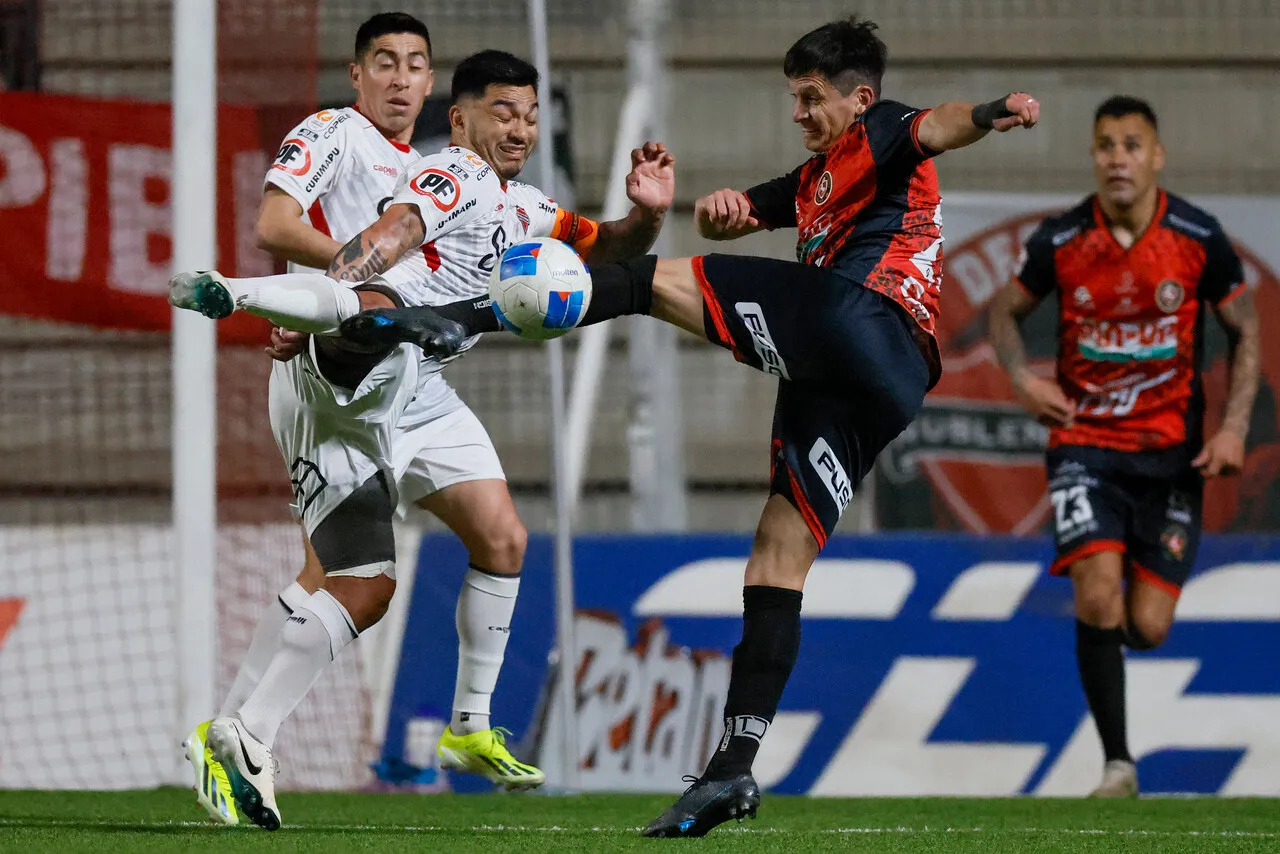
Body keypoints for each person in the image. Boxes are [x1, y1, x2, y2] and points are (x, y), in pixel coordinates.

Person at [341, 16, 1039, 837]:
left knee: (643, 283)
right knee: (777, 556)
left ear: (859, 98)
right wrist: (726, 211)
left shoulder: (882, 130)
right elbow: (735, 220)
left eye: (812, 98)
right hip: (871, 385)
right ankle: (732, 770)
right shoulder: (815, 179)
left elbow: (939, 125)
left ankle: (453, 320)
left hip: (861, 322)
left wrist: (993, 111)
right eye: (794, 98)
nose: (799, 113)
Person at [169, 49, 674, 830]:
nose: (521, 128)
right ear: (461, 119)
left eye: (531, 115)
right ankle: (244, 734)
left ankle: (468, 728)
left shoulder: (525, 207)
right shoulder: (453, 175)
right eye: (503, 112)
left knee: (502, 538)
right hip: (343, 391)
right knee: (362, 585)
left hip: (419, 386)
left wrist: (648, 214)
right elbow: (389, 235)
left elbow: (601, 243)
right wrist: (310, 300)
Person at [182, 11, 434, 826]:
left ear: (431, 81)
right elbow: (274, 224)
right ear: (358, 74)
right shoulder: (334, 132)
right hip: (328, 376)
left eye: (415, 64)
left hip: (375, 383)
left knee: (324, 574)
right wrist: (356, 283)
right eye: (384, 62)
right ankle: (249, 732)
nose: (400, 78)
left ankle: (224, 732)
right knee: (368, 580)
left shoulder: (422, 172)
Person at [987, 95, 1260, 798]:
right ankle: (1118, 765)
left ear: (1156, 156)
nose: (1118, 158)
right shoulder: (1061, 239)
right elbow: (1004, 311)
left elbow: (1246, 329)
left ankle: (1109, 635)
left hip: (1171, 459)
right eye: (1106, 145)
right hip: (1085, 448)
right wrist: (1022, 379)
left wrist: (1233, 427)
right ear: (1092, 156)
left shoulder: (1197, 237)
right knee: (1099, 592)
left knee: (1148, 626)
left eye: (1131, 145)